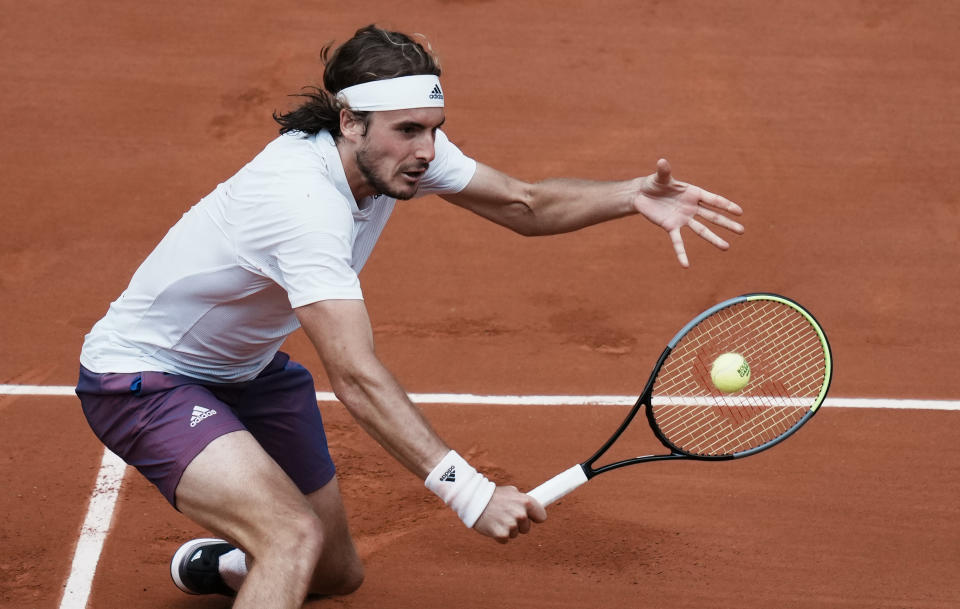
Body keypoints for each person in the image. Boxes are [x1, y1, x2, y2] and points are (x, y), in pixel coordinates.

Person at [75, 24, 743, 609]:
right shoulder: (301, 205)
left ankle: (223, 565)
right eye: (408, 132)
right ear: (350, 122)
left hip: (246, 371)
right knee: (291, 536)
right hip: (145, 380)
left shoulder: (402, 154)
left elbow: (525, 203)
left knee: (335, 571)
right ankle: (264, 549)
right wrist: (469, 492)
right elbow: (356, 374)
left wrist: (630, 195)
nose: (426, 151)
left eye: (434, 129)